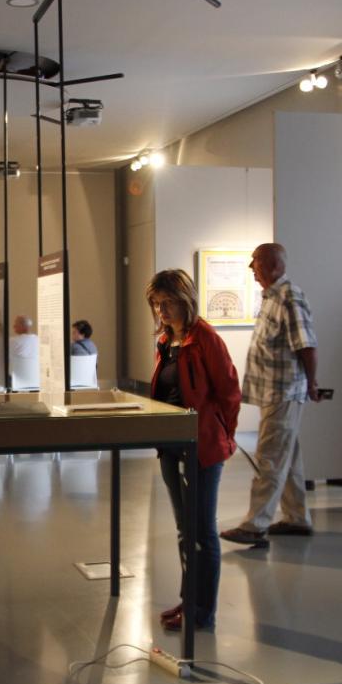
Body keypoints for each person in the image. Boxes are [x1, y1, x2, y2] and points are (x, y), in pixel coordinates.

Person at [147, 269, 241, 633]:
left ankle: (202, 611)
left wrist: (222, 434)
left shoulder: (206, 339)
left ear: (185, 300)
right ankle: (189, 601)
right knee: (184, 529)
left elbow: (229, 393)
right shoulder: (166, 341)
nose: (162, 310)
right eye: (157, 304)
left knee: (202, 531)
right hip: (171, 446)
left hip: (201, 446)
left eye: (168, 302)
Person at [220, 242, 323, 547]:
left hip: (283, 392)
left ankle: (255, 525)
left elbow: (307, 345)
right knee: (287, 456)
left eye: (256, 261)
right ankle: (297, 517)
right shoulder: (271, 297)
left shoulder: (289, 297)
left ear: (274, 265)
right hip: (273, 392)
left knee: (269, 458)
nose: (251, 267)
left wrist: (312, 383)